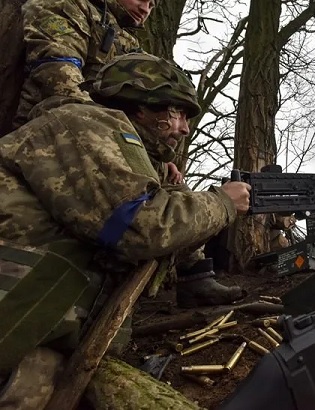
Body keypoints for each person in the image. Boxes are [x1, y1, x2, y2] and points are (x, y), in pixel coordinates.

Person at [0, 53, 251, 408]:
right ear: (142, 105)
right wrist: (222, 203)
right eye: (178, 113)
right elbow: (140, 227)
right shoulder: (82, 124)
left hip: (36, 329)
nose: (184, 128)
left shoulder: (126, 150)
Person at [14, 0, 183, 183]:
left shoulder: (127, 42)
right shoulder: (68, 5)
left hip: (92, 150)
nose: (145, 9)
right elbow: (59, 80)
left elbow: (136, 112)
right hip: (42, 140)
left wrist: (154, 156)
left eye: (151, 5)